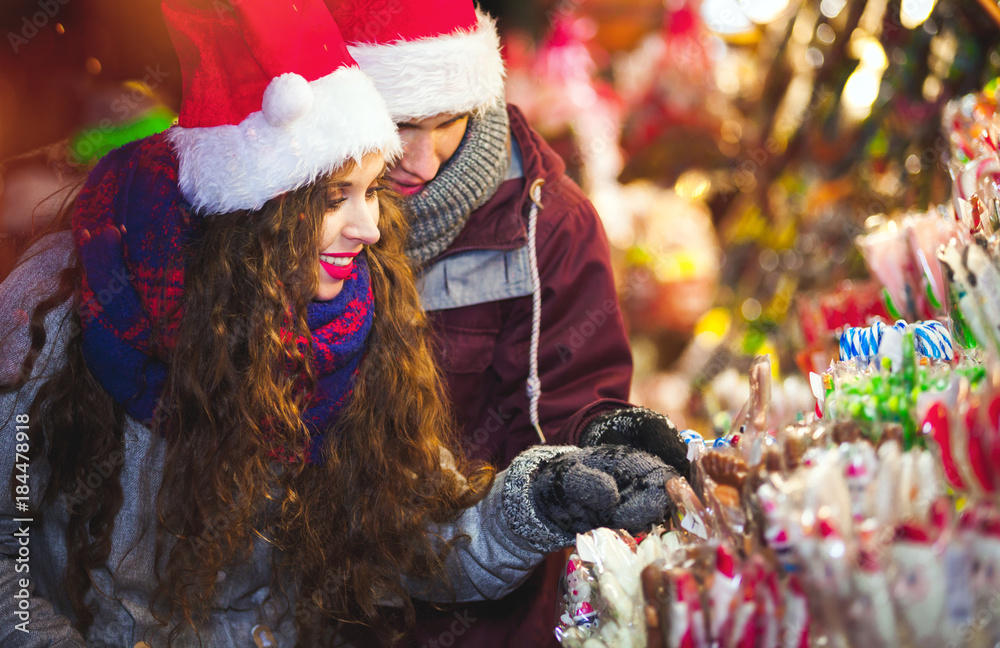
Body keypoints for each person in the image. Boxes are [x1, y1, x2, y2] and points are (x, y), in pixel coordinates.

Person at [0, 1, 678, 646]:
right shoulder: (66, 313)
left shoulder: (352, 320)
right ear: (253, 205)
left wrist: (539, 497)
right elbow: (10, 543)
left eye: (371, 190)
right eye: (335, 196)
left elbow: (412, 531)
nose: (373, 226)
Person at [325, 0, 692, 645]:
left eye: (449, 123)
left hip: (485, 618)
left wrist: (608, 437)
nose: (425, 161)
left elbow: (570, 404)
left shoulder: (546, 223)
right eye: (400, 124)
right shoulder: (285, 220)